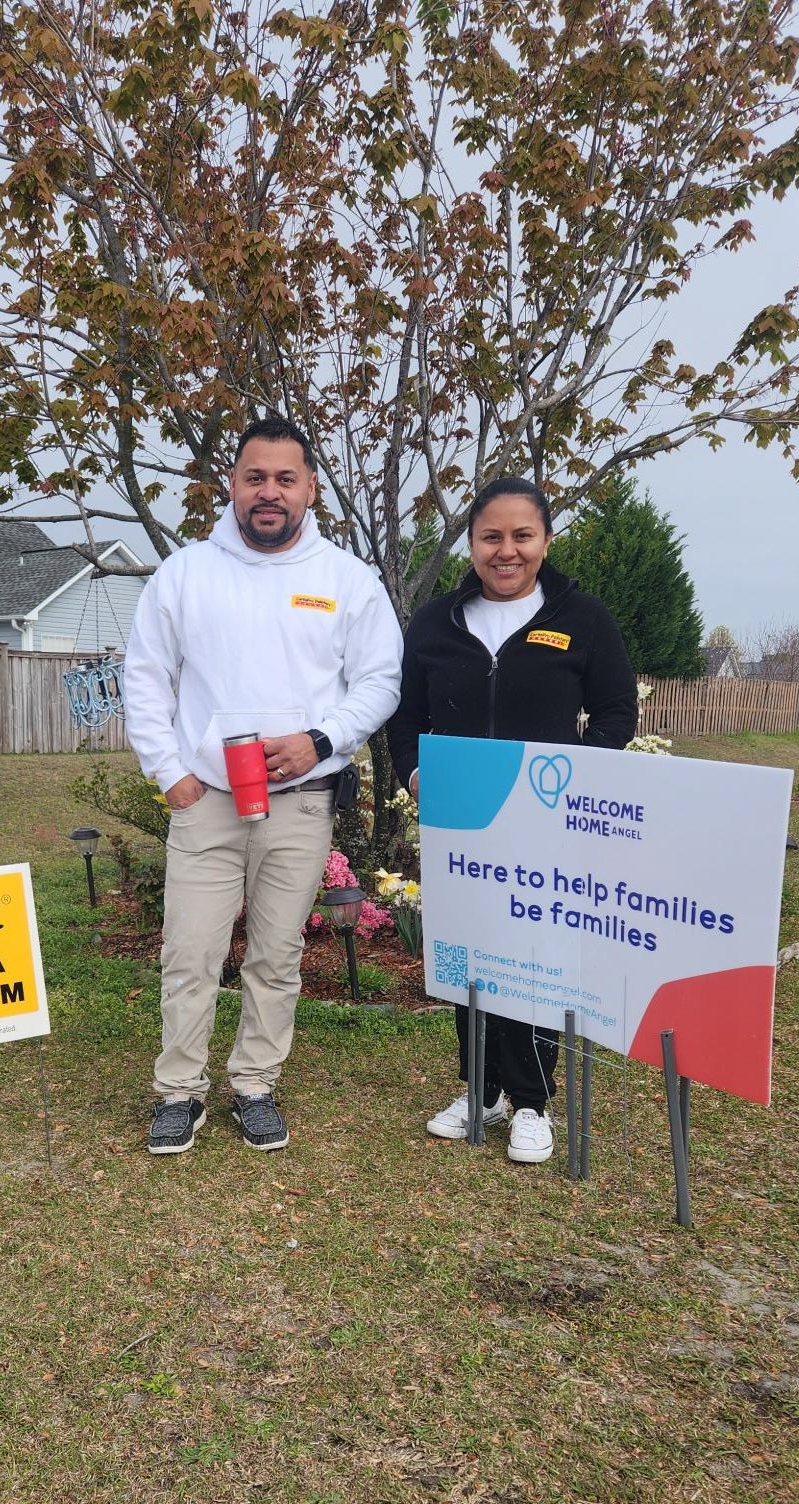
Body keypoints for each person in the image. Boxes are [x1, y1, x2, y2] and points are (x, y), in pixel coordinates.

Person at [123, 415, 403, 1154]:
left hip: (303, 803)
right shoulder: (186, 573)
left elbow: (380, 682)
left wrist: (321, 740)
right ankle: (178, 1093)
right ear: (233, 486)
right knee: (191, 953)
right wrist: (171, 774)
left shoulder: (346, 580)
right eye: (255, 478)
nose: (269, 493)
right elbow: (146, 679)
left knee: (276, 955)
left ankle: (254, 1084)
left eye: (286, 479)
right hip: (208, 802)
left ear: (311, 488)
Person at [387, 476, 637, 1164]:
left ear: (546, 541)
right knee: (468, 952)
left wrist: (582, 772)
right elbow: (407, 719)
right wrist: (414, 773)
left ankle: (531, 1102)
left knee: (533, 961)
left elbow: (617, 712)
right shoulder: (436, 622)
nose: (506, 551)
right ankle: (482, 1089)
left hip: (546, 823)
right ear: (471, 544)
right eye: (490, 536)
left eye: (522, 535)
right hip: (463, 820)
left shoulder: (583, 619)